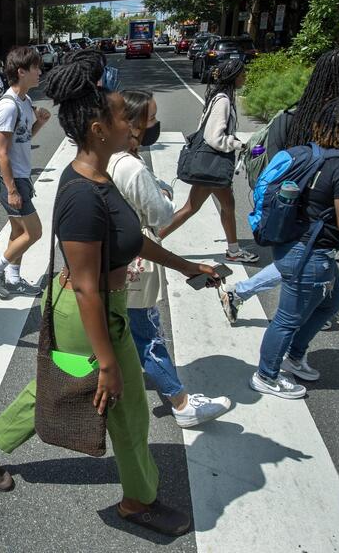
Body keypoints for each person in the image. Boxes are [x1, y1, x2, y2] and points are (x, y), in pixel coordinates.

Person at [0, 50, 222, 536]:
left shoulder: (102, 177)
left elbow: (129, 240)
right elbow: (83, 284)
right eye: (125, 116)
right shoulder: (82, 192)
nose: (134, 124)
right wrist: (107, 363)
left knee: (62, 387)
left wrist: (187, 267)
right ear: (100, 129)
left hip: (102, 307)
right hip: (89, 312)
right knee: (122, 408)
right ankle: (138, 502)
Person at [109, 89, 230, 427]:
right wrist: (162, 193)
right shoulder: (131, 168)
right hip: (134, 266)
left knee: (123, 331)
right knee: (148, 335)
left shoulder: (106, 157)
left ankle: (100, 376)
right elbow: (161, 216)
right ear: (133, 125)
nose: (157, 124)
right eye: (151, 118)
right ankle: (181, 403)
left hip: (113, 263)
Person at [220, 49, 339, 323]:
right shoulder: (313, 117)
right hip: (302, 210)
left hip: (308, 210)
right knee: (299, 266)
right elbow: (284, 167)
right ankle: (245, 297)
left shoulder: (312, 112)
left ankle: (247, 295)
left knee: (304, 263)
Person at [252, 95, 339, 399]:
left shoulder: (306, 152)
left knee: (330, 302)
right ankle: (266, 376)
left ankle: (294, 357)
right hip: (308, 255)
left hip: (291, 245)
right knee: (288, 318)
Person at [159, 59, 259, 263]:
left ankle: (151, 240)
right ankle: (233, 251)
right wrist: (239, 145)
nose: (245, 77)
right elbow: (214, 137)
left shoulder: (218, 98)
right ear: (233, 77)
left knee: (198, 207)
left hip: (208, 164)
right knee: (216, 206)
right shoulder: (223, 100)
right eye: (242, 74)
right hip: (213, 165)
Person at [0, 46, 50, 298]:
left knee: (19, 231)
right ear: (21, 72)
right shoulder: (7, 106)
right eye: (35, 68)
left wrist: (39, 123)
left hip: (20, 175)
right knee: (35, 232)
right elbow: (2, 153)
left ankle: (13, 279)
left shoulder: (25, 101)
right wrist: (11, 189)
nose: (40, 72)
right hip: (9, 178)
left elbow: (22, 139)